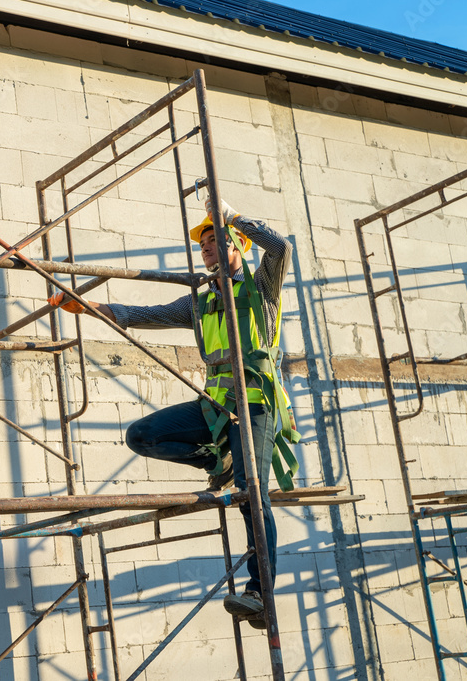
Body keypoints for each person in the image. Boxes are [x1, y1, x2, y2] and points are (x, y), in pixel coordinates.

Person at [48, 185, 299, 628]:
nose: (207, 250)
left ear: (237, 244)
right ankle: (216, 458)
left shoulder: (262, 287)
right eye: (203, 246)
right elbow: (144, 314)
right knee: (142, 436)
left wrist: (233, 216)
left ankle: (260, 593)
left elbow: (280, 249)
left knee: (251, 496)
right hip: (216, 406)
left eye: (215, 241)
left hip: (256, 405)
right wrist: (86, 307)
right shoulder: (199, 301)